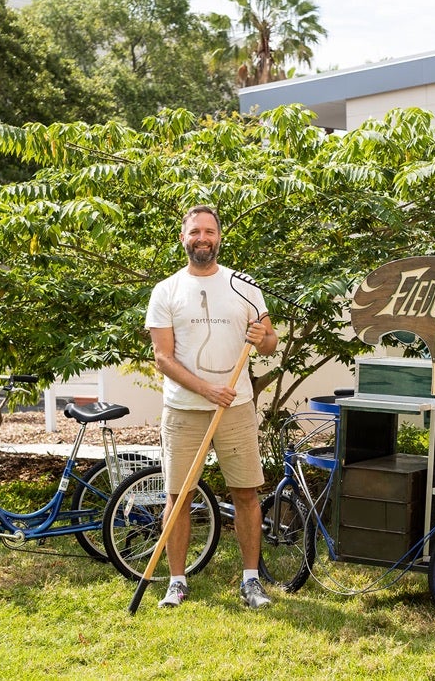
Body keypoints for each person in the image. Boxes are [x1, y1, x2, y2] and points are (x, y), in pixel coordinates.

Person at [145, 204, 278, 609]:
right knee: (179, 495)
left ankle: (251, 580)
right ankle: (177, 581)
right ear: (183, 238)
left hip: (236, 408)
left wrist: (262, 336)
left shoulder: (244, 286)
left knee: (246, 493)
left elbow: (271, 343)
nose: (203, 238)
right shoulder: (166, 290)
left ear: (219, 238)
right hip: (184, 409)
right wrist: (206, 389)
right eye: (195, 232)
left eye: (210, 232)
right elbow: (163, 358)